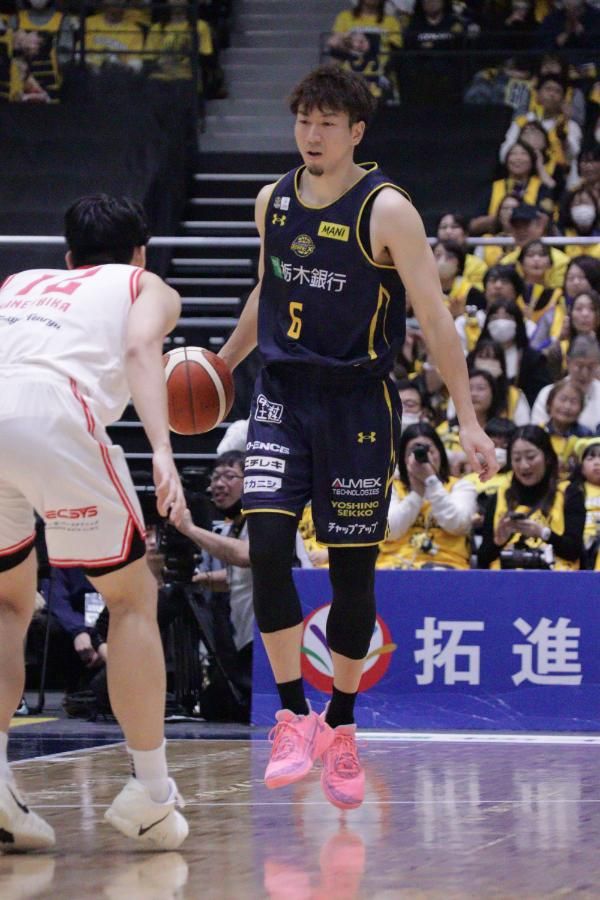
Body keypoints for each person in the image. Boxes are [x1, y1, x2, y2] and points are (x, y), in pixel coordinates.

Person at [216, 64, 497, 811]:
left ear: (356, 132)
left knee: (351, 576)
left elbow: (434, 318)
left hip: (357, 406)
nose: (312, 135)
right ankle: (291, 717)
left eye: (328, 124)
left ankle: (341, 725)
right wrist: (222, 366)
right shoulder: (272, 200)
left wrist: (467, 418)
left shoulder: (388, 209)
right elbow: (267, 290)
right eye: (304, 120)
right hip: (281, 395)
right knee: (267, 549)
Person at [0, 194, 188, 850]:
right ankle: (151, 793)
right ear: (141, 253)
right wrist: (162, 449)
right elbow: (140, 348)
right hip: (56, 414)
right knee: (131, 599)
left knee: (7, 603)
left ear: (68, 256)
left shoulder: (17, 283)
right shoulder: (145, 285)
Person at [477, 424, 585, 569]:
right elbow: (482, 561)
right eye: (517, 459)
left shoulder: (569, 493)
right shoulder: (500, 496)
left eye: (531, 457)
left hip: (555, 578)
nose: (524, 466)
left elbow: (573, 551)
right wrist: (498, 541)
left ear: (547, 457)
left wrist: (543, 533)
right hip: (506, 579)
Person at [377, 422, 477, 569]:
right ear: (403, 458)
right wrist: (416, 494)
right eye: (413, 451)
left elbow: (458, 524)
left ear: (441, 453)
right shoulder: (391, 487)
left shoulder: (461, 486)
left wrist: (431, 481)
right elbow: (390, 531)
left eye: (429, 450)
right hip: (394, 565)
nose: (423, 457)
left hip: (447, 566)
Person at [531, 333, 600, 431]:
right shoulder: (548, 393)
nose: (585, 373)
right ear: (568, 362)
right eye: (579, 366)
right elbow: (536, 433)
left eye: (591, 367)